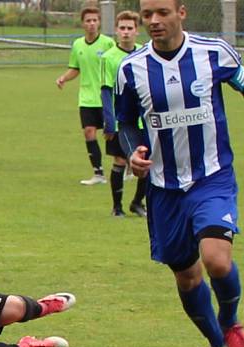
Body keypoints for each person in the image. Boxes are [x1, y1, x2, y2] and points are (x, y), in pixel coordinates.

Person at [115, 0, 244, 347]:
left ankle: (230, 321)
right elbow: (124, 121)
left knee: (217, 259)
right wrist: (133, 150)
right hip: (163, 187)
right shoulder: (130, 69)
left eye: (163, 13)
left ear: (181, 13)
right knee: (187, 277)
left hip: (211, 176)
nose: (154, 21)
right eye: (147, 15)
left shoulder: (214, 54)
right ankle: (217, 343)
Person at [56, 7, 115, 185]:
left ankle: (124, 163)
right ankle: (98, 173)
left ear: (99, 23)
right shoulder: (78, 45)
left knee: (111, 134)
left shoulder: (108, 43)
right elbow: (75, 68)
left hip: (107, 97)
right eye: (88, 21)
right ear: (83, 23)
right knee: (89, 132)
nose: (91, 24)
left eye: (95, 20)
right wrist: (64, 78)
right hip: (87, 97)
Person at [100, 10, 147, 217]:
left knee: (147, 162)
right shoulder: (109, 58)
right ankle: (116, 207)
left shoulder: (144, 53)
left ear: (137, 31)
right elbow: (105, 90)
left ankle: (137, 202)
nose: (126, 32)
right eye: (122, 28)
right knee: (119, 161)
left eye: (130, 28)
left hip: (143, 120)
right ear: (116, 31)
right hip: (120, 121)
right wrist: (109, 122)